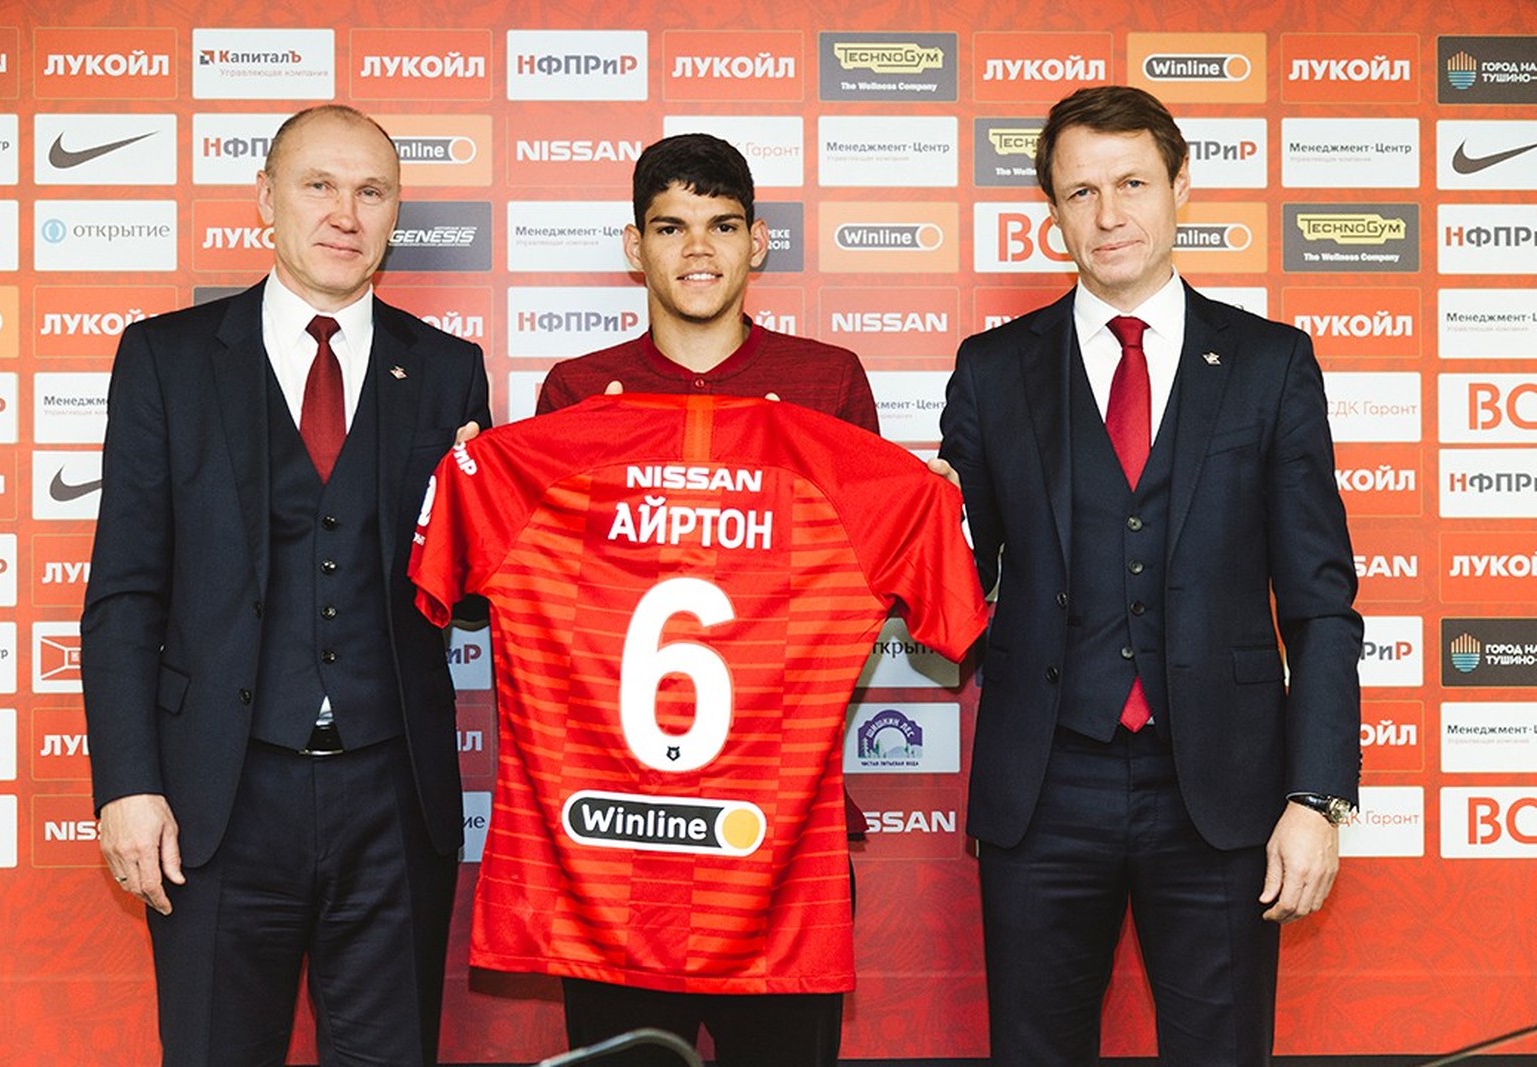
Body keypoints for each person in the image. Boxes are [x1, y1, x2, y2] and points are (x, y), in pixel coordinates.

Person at [937, 86, 1362, 1066]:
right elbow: (960, 590)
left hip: (1221, 793)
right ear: (1051, 212)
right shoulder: (993, 369)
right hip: (1043, 787)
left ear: (1179, 187)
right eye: (1079, 192)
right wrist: (925, 521)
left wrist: (1316, 798)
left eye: (1131, 183)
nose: (1108, 215)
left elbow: (1320, 601)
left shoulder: (1269, 364)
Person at [81, 104, 490, 1066]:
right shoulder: (165, 360)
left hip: (394, 798)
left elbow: (469, 599)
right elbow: (125, 591)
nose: (345, 212)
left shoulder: (445, 372)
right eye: (319, 185)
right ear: (266, 199)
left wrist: (489, 520)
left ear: (394, 215)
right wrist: (129, 783)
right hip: (214, 801)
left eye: (371, 191)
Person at [537, 132, 879, 1065]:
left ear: (757, 242)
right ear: (633, 246)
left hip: (783, 832)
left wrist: (918, 506)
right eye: (671, 226)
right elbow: (547, 609)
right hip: (616, 829)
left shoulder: (829, 384)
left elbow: (868, 590)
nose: (698, 250)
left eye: (722, 225)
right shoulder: (575, 392)